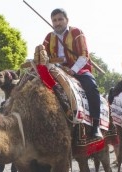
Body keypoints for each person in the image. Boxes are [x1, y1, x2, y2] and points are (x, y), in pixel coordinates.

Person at [43, 8, 102, 139]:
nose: (57, 23)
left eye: (60, 19)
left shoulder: (77, 32)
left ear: (66, 20)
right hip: (55, 70)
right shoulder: (49, 37)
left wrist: (72, 70)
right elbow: (44, 56)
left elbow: (84, 55)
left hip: (77, 69)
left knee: (91, 87)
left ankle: (96, 125)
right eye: (54, 20)